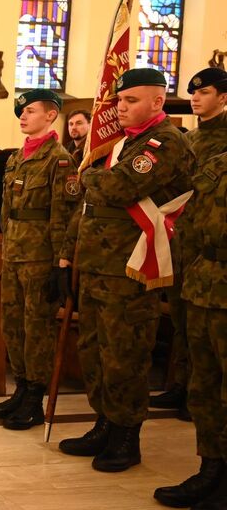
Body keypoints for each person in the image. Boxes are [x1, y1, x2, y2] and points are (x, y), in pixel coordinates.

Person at [59, 68, 195, 472]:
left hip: (132, 268)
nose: (120, 107)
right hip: (100, 264)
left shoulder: (165, 142)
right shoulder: (122, 145)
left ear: (157, 101)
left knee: (125, 354)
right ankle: (104, 422)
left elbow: (119, 189)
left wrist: (87, 174)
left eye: (131, 100)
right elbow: (93, 204)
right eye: (119, 100)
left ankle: (126, 437)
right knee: (94, 350)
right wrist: (69, 255)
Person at [0, 90, 80, 430]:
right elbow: (8, 209)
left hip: (40, 255)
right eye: (21, 111)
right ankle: (20, 389)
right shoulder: (17, 156)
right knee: (13, 324)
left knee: (37, 327)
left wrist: (59, 261)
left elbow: (61, 214)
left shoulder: (59, 158)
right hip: (15, 251)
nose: (23, 116)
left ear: (51, 116)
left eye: (31, 111)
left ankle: (35, 396)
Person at [153, 67, 227, 510]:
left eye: (204, 92)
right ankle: (211, 468)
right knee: (206, 385)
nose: (196, 98)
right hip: (202, 279)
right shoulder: (202, 146)